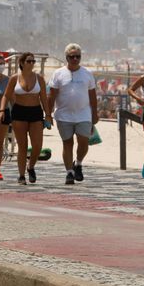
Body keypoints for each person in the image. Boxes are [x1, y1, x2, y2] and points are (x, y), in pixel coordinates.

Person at [0, 52, 53, 185]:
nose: (32, 63)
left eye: (33, 61)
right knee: (23, 146)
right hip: (19, 112)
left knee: (37, 146)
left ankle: (31, 166)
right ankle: (21, 175)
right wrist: (1, 110)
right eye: (29, 61)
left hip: (35, 112)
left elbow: (44, 98)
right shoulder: (14, 78)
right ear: (22, 63)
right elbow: (6, 95)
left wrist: (48, 114)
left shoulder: (39, 78)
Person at [48, 44, 98, 185]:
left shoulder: (87, 73)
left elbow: (92, 95)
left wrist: (95, 114)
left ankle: (79, 163)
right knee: (67, 143)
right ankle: (69, 172)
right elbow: (51, 96)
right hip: (64, 115)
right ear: (66, 57)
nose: (75, 59)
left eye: (77, 56)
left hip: (84, 114)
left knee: (83, 142)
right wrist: (48, 114)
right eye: (72, 57)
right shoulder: (58, 73)